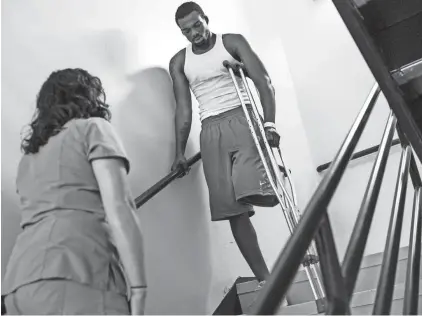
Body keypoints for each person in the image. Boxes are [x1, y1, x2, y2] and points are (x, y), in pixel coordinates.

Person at [169, 1, 289, 300]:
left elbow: (264, 82)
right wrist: (179, 152)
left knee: (251, 188)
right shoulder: (179, 62)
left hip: (242, 116)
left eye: (197, 25)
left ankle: (274, 173)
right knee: (234, 210)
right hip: (210, 130)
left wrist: (270, 124)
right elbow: (184, 110)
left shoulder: (231, 42)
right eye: (187, 31)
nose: (194, 33)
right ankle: (266, 280)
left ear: (205, 19)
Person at [1, 68, 147, 315]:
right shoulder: (92, 128)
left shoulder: (29, 159)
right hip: (77, 270)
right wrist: (139, 288)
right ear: (89, 97)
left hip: (18, 285)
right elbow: (120, 208)